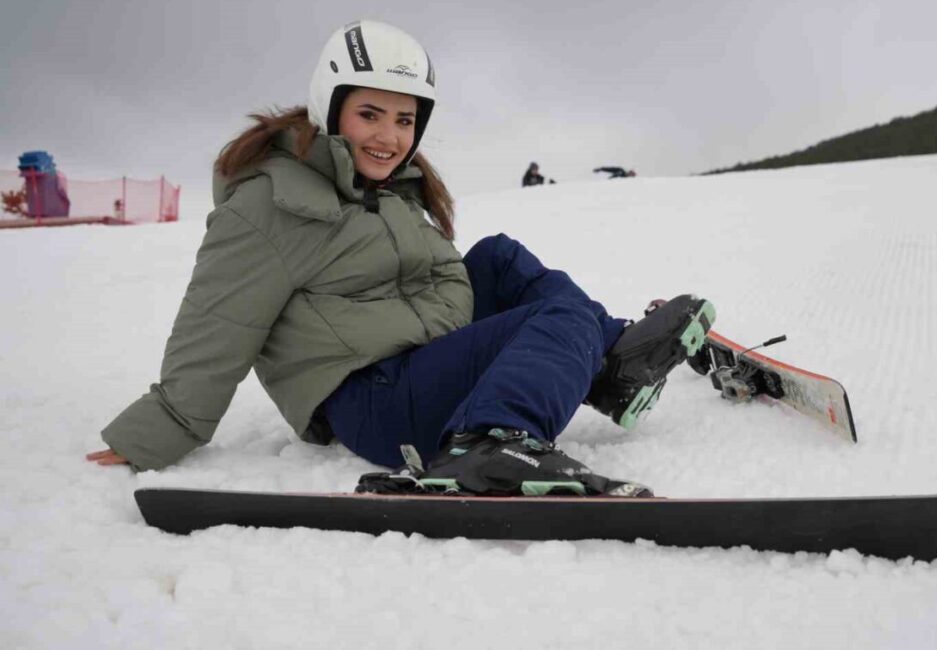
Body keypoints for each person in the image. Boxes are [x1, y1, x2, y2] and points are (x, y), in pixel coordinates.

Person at [87, 20, 714, 497]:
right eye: (369, 114)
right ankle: (494, 443)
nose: (390, 137)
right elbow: (218, 321)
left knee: (498, 258)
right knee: (557, 321)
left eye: (405, 119)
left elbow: (428, 286)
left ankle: (611, 363)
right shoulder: (271, 205)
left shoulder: (389, 196)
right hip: (373, 402)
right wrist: (160, 428)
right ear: (330, 108)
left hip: (417, 363)